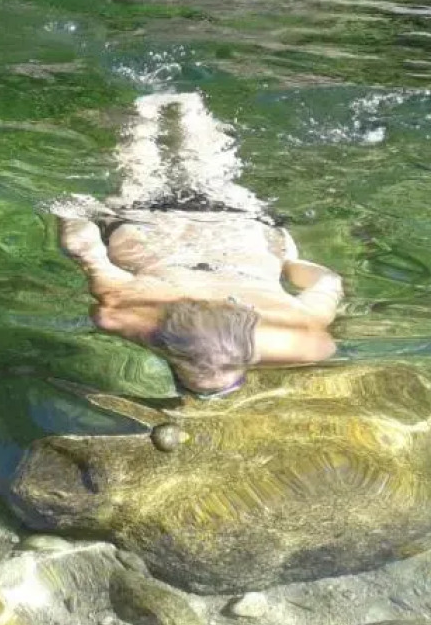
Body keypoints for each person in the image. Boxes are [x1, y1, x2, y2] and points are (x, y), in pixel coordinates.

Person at [51, 91, 343, 397]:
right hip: (150, 223)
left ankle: (189, 108)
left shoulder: (303, 333)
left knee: (212, 170)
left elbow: (328, 280)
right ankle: (148, 112)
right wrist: (72, 212)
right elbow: (84, 248)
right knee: (139, 170)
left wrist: (289, 263)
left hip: (238, 225)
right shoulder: (122, 312)